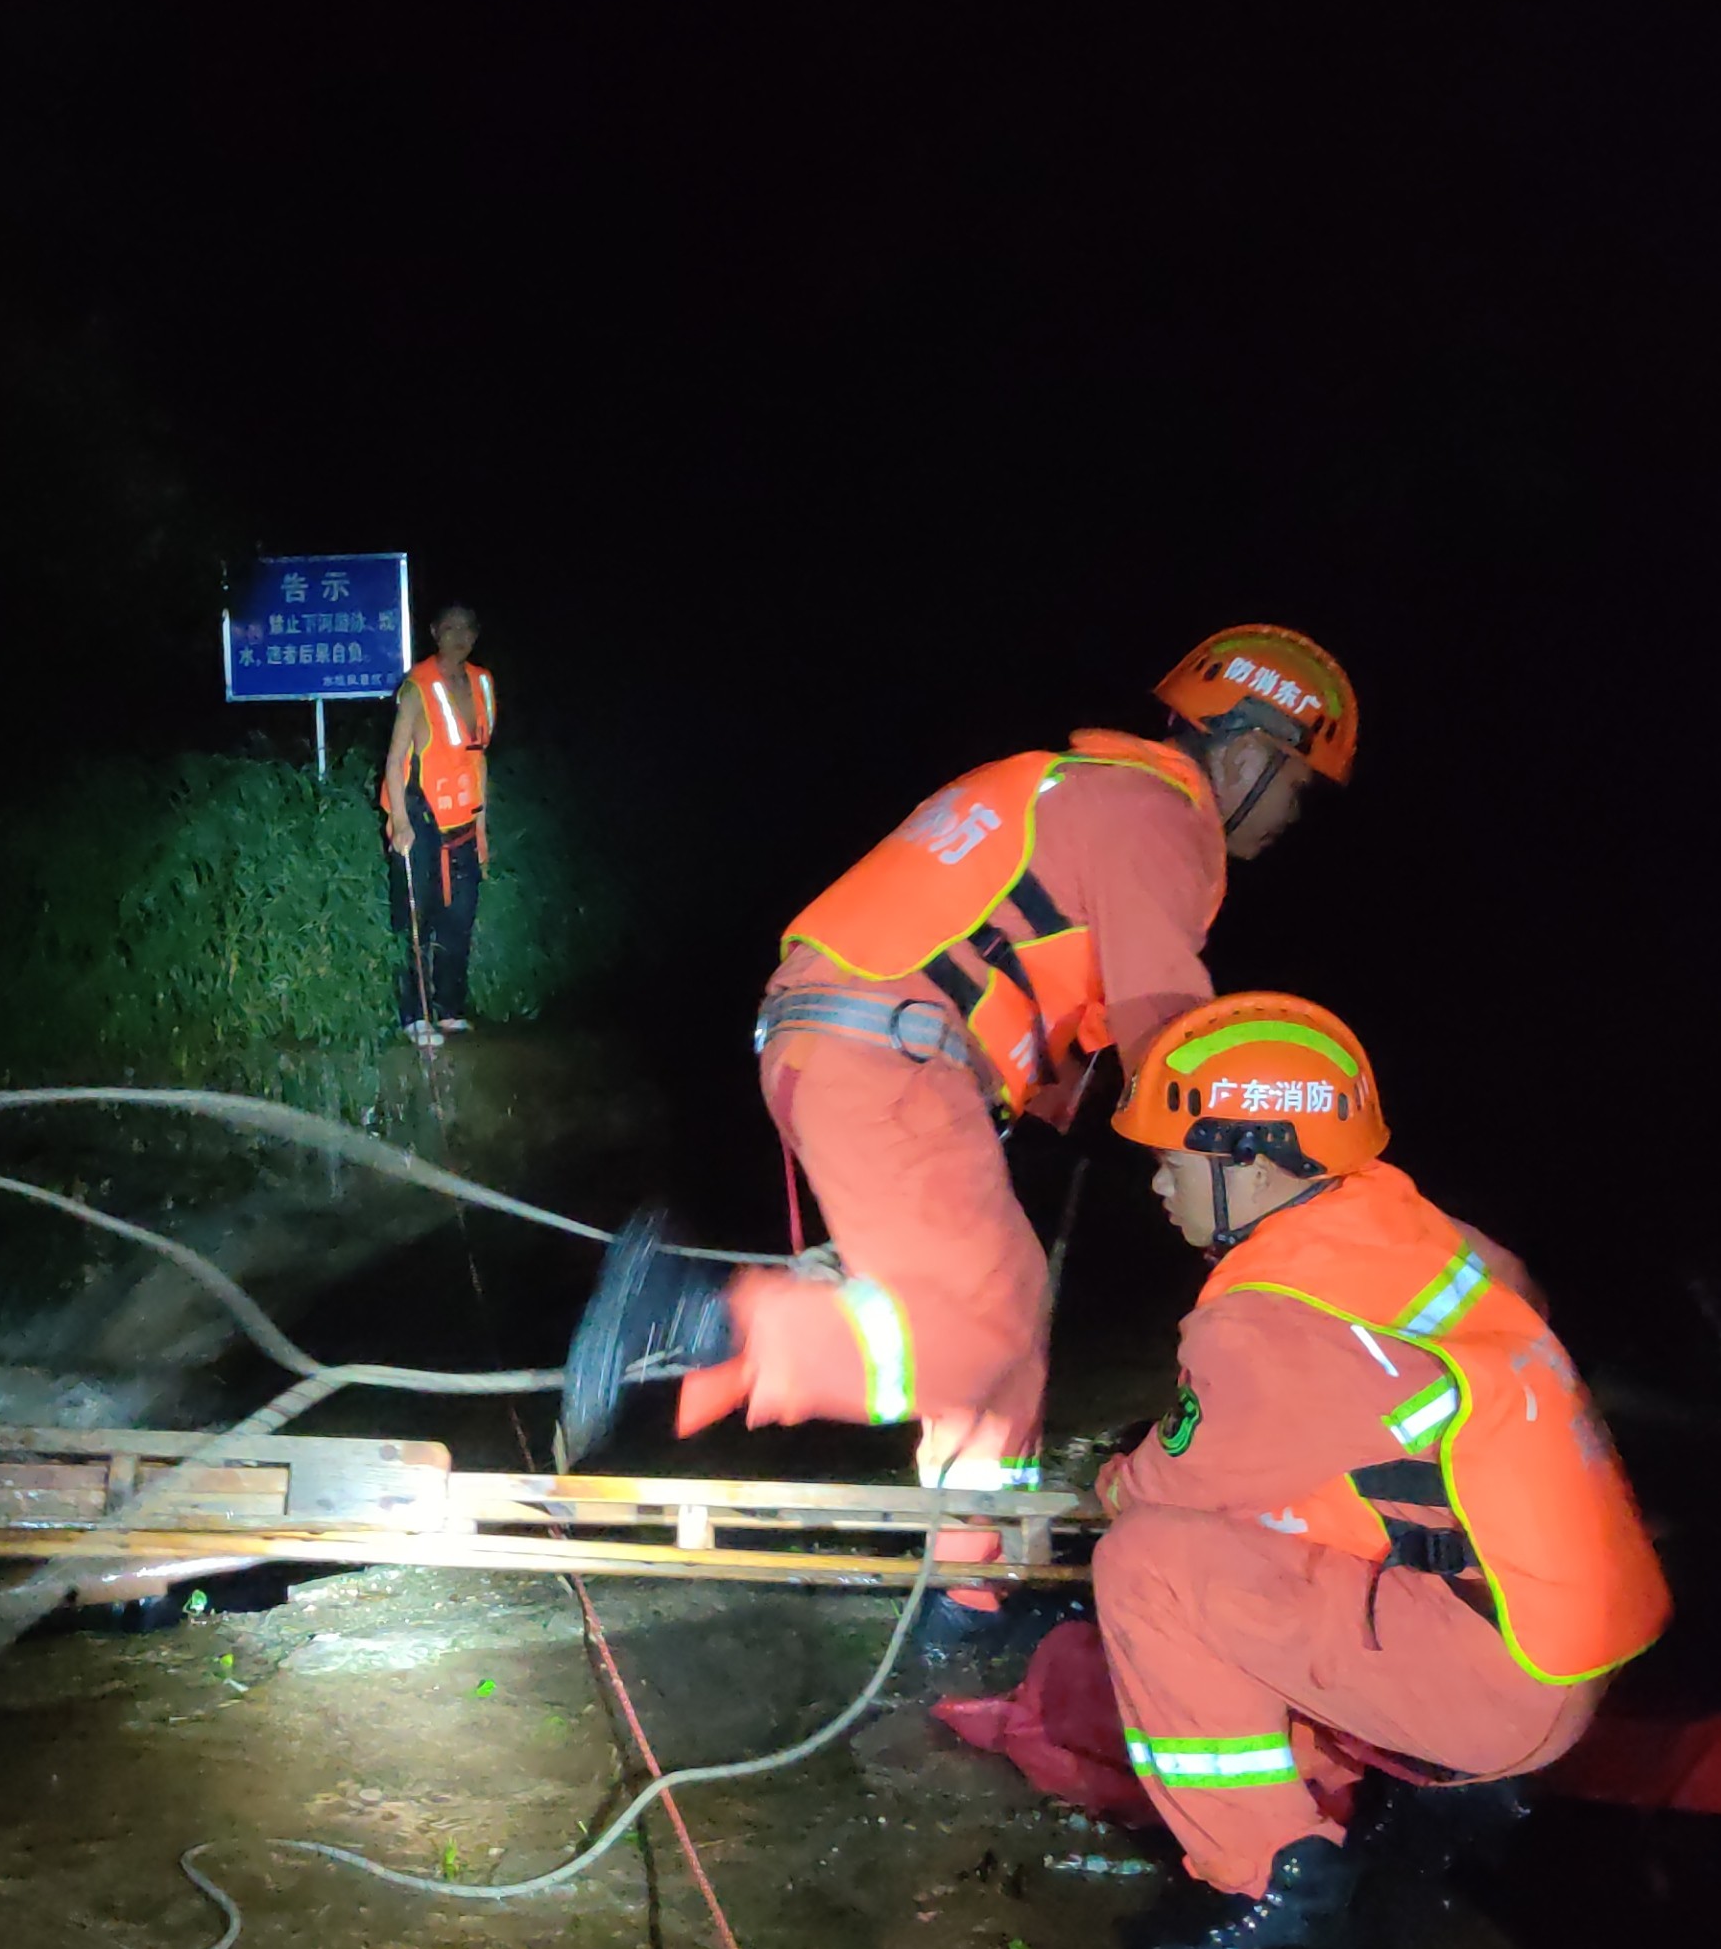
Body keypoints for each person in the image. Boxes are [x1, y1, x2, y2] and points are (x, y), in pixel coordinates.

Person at [567, 627, 1355, 1610]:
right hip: (892, 1052)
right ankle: (699, 1324)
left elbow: (1049, 996)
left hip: (841, 1034)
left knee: (1009, 1311)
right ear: (1244, 752)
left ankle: (972, 1588)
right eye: (1296, 785)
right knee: (970, 1332)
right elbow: (1174, 1040)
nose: (1292, 814)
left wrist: (1088, 1110)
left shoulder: (1072, 787)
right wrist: (1265, 1211)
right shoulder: (1163, 821)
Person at [1092, 992, 1668, 1949]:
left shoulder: (1267, 1321)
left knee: (1149, 1565)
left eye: (1172, 1160)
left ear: (1256, 1161)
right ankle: (1351, 1770)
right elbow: (1514, 1297)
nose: (1156, 1185)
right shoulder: (1398, 1222)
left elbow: (1162, 1485)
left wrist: (1109, 1476)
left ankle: (1271, 1892)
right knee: (1282, 1513)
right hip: (1558, 1634)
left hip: (1496, 1686)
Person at [379, 603, 496, 1045]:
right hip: (420, 814)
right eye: (449, 628)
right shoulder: (417, 686)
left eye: (466, 628)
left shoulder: (482, 682)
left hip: (463, 819)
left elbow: (478, 758)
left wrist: (482, 825)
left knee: (459, 917)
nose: (458, 636)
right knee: (414, 919)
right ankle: (414, 1015)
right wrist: (401, 823)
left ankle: (449, 1008)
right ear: (434, 633)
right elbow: (394, 760)